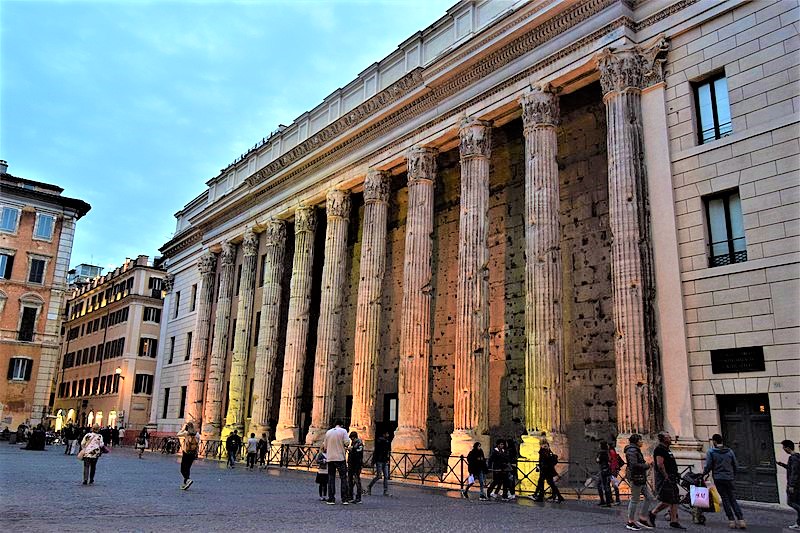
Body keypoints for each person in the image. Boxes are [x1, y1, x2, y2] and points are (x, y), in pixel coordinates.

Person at [703, 433, 745, 529]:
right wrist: (732, 475)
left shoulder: (711, 452)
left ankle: (731, 521)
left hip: (718, 478)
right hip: (729, 478)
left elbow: (708, 466)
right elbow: (736, 465)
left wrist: (704, 474)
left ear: (714, 441)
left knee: (725, 500)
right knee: (732, 499)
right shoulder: (729, 451)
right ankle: (741, 520)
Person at [650, 431, 686, 530]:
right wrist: (665, 476)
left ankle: (674, 521)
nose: (670, 438)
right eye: (668, 437)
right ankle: (653, 513)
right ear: (663, 439)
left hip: (671, 476)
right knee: (667, 500)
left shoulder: (666, 449)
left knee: (675, 499)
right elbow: (660, 464)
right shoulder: (659, 449)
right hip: (666, 477)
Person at [625, 433, 655, 530]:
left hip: (641, 477)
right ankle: (630, 522)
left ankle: (642, 518)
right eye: (640, 440)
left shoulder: (635, 450)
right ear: (636, 441)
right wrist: (647, 465)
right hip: (635, 477)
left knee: (649, 497)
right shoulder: (631, 451)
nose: (642, 442)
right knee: (634, 499)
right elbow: (634, 465)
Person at [322, 419, 351, 505]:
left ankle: (331, 498)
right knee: (343, 478)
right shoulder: (343, 431)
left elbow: (325, 446)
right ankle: (344, 499)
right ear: (341, 425)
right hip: (340, 458)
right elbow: (346, 443)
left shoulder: (328, 432)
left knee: (331, 478)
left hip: (330, 458)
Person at [779, 440, 800, 530]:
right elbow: (792, 469)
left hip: (794, 485)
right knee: (798, 503)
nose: (783, 449)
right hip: (798, 484)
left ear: (787, 448)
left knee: (791, 502)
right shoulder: (797, 456)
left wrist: (791, 485)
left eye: (784, 447)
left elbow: (794, 472)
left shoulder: (793, 458)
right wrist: (782, 464)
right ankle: (799, 524)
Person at [368, 430, 392, 496]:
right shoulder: (379, 441)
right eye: (387, 433)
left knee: (386, 476)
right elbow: (376, 451)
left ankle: (385, 491)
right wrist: (374, 460)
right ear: (384, 434)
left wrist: (387, 459)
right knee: (379, 476)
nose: (388, 435)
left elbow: (387, 451)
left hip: (384, 460)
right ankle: (369, 486)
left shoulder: (387, 441)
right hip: (379, 460)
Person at [177, 422, 199, 489]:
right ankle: (185, 483)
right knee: (188, 468)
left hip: (186, 452)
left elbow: (178, 434)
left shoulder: (186, 433)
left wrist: (183, 429)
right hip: (193, 453)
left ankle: (188, 480)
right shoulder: (197, 434)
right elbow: (198, 443)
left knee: (183, 469)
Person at [347, 431, 364, 503]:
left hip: (356, 464)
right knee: (351, 480)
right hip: (352, 464)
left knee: (356, 481)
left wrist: (352, 449)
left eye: (352, 438)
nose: (351, 440)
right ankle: (350, 496)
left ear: (354, 437)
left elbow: (358, 452)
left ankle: (358, 497)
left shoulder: (359, 443)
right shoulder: (354, 443)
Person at [596, 440, 613, 507]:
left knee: (603, 485)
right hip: (608, 470)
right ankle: (606, 501)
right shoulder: (608, 452)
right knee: (606, 485)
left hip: (603, 471)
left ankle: (606, 502)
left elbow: (598, 460)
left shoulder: (601, 452)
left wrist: (598, 459)